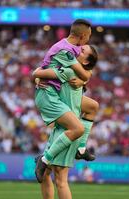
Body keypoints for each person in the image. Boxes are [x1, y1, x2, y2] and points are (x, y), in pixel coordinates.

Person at [29, 45, 98, 199]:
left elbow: (38, 73)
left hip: (68, 131)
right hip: (62, 129)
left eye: (82, 51)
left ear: (84, 61)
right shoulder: (76, 75)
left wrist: (38, 76)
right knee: (45, 174)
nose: (77, 50)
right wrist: (39, 79)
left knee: (60, 177)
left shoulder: (69, 71)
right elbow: (92, 105)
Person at [34, 19, 98, 183]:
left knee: (92, 106)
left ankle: (81, 149)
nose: (87, 42)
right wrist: (35, 76)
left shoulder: (72, 49)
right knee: (76, 127)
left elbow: (87, 72)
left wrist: (84, 80)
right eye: (88, 37)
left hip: (58, 93)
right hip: (52, 94)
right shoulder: (67, 51)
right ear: (83, 36)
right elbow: (83, 73)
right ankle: (44, 159)